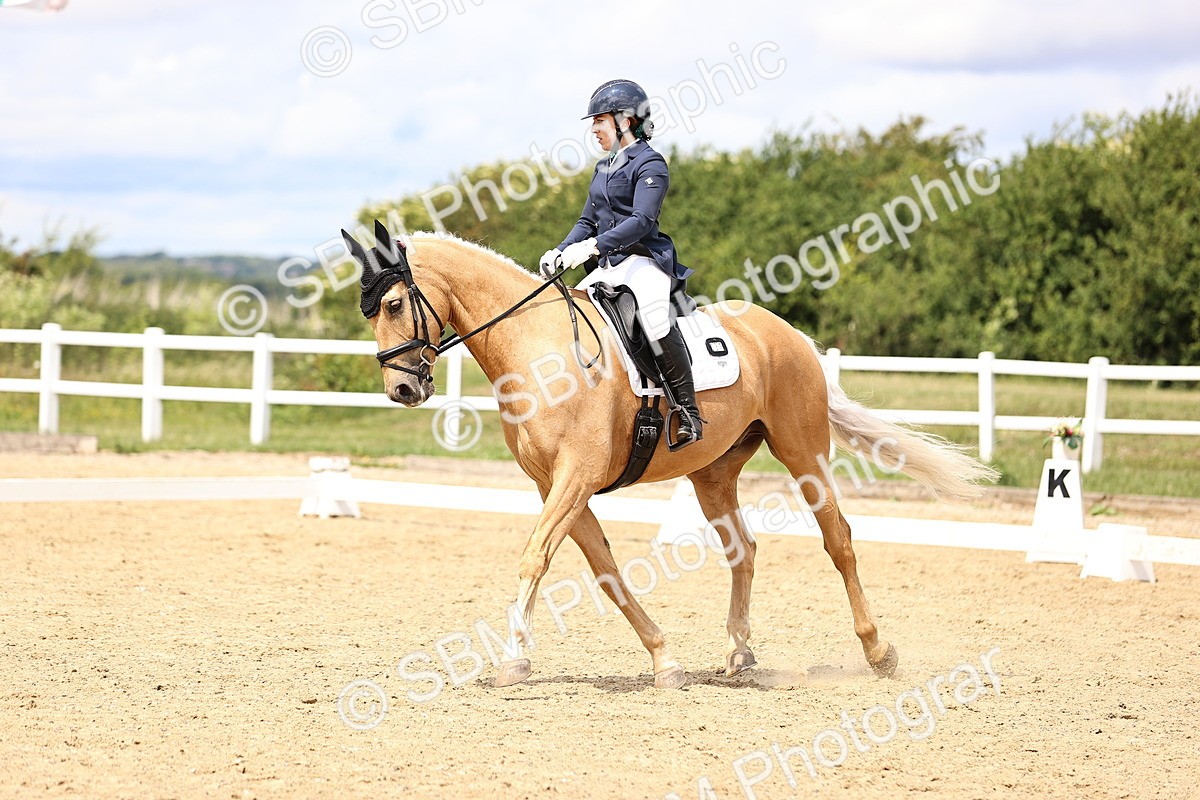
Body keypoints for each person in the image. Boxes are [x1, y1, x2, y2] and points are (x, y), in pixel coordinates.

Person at [540, 78, 703, 449]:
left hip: (644, 261)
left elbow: (642, 221)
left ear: (625, 121)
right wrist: (562, 249)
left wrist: (595, 246)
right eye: (593, 122)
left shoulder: (651, 163)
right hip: (607, 264)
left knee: (655, 317)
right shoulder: (603, 168)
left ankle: (688, 411)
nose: (593, 129)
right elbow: (586, 220)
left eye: (599, 120)